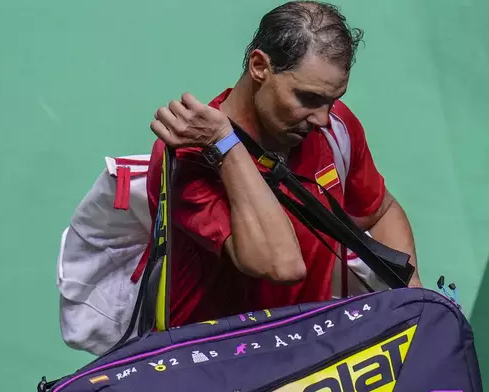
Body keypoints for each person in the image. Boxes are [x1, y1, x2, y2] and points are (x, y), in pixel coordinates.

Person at [146, 0, 421, 328]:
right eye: (308, 98)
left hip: (307, 351)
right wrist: (226, 145)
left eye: (333, 100)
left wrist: (412, 304)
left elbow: (381, 210)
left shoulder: (335, 128)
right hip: (221, 362)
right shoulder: (190, 155)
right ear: (260, 67)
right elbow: (281, 265)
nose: (323, 118)